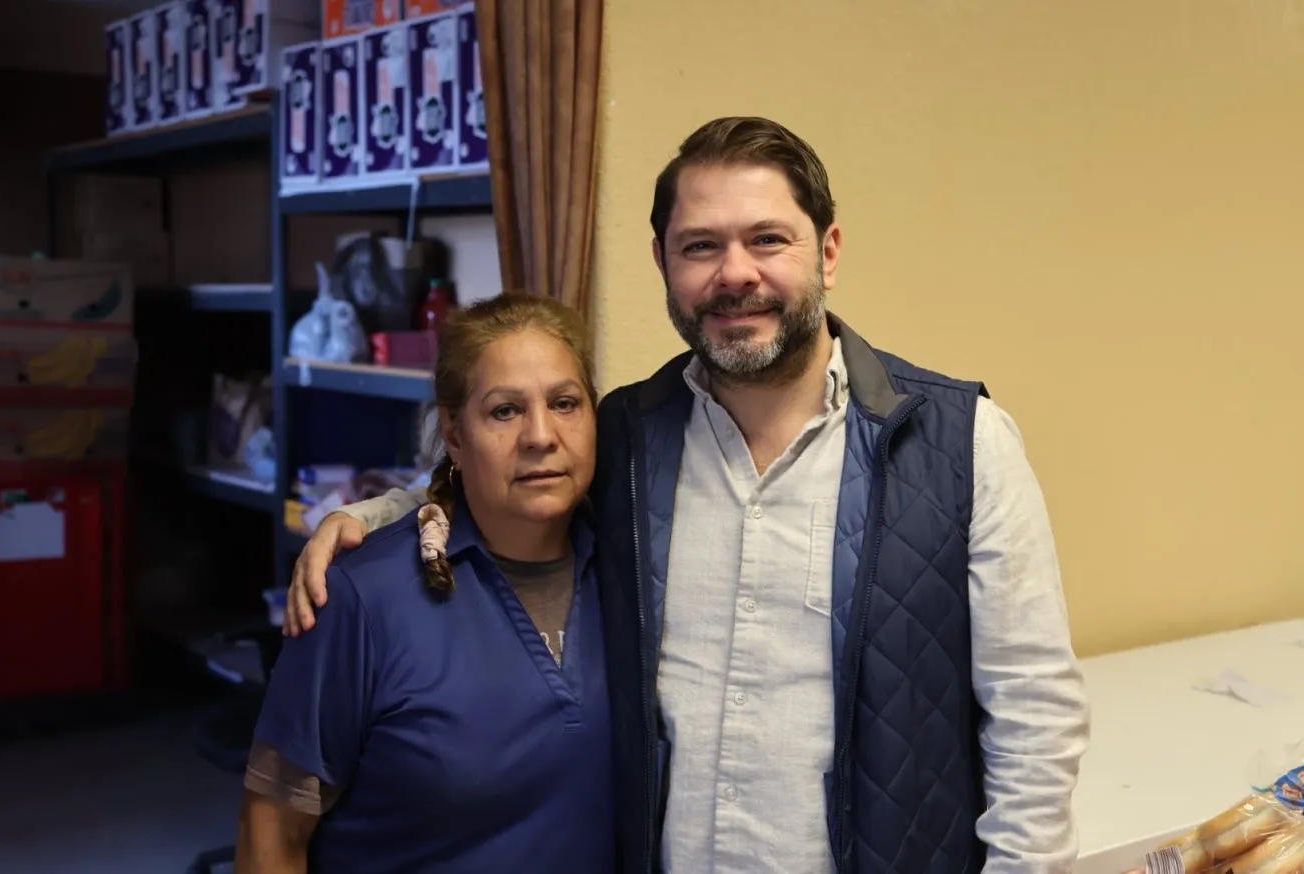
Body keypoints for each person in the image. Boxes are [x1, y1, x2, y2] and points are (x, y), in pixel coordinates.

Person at [285, 117, 1092, 873]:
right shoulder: (627, 438)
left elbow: (1033, 719)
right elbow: (511, 471)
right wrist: (369, 517)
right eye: (700, 245)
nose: (734, 273)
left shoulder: (963, 443)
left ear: (828, 252)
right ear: (664, 264)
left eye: (767, 240)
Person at [235, 292, 614, 873]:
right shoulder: (360, 600)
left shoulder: (630, 571)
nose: (541, 435)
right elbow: (272, 837)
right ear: (454, 434)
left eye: (565, 403)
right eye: (504, 411)